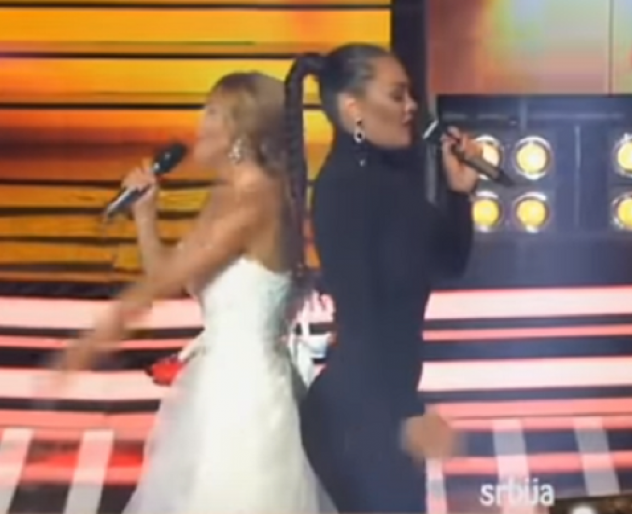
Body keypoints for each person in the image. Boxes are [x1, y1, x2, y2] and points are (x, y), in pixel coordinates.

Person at [52, 71, 329, 513]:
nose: (201, 124)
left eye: (213, 112)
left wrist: (96, 336)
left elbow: (165, 279)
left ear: (241, 133)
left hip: (246, 397)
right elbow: (173, 275)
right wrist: (146, 215)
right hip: (217, 387)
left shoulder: (257, 200)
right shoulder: (229, 194)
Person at [283, 44, 481, 512]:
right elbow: (366, 317)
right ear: (353, 109)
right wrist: (402, 416)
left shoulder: (388, 181)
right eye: (396, 95)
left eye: (409, 94)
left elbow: (449, 261)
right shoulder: (347, 189)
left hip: (379, 407)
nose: (411, 106)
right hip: (360, 416)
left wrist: (459, 193)